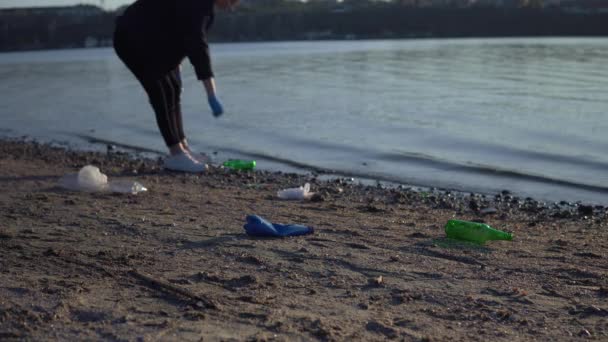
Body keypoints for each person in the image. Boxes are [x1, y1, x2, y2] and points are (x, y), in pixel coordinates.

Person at [113, 0, 238, 172]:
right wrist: (211, 94)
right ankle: (176, 154)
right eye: (232, 1)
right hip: (132, 38)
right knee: (160, 91)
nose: (232, 6)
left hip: (154, 40)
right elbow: (198, 48)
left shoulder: (205, 9)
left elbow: (180, 35)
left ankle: (183, 149)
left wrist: (176, 66)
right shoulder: (198, 6)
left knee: (172, 88)